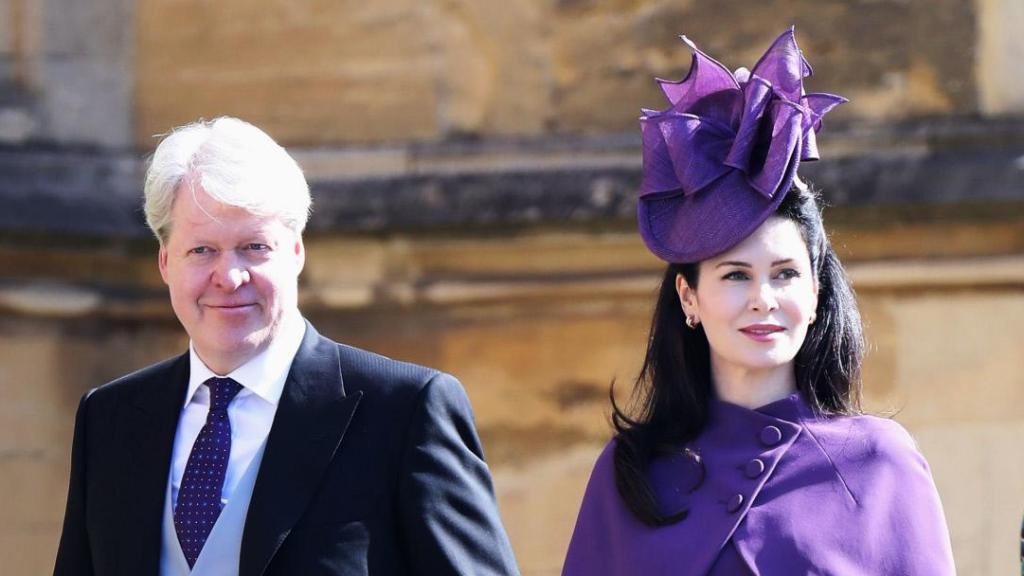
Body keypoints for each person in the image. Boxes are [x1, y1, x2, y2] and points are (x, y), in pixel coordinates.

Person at [562, 29, 956, 575]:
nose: (763, 299)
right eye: (735, 276)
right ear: (689, 296)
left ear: (815, 295)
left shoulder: (879, 461)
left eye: (786, 274)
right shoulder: (629, 471)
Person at [53, 117, 519, 575]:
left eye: (254, 247)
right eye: (202, 250)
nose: (230, 277)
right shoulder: (109, 418)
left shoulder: (405, 412)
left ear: (296, 252)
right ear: (164, 262)